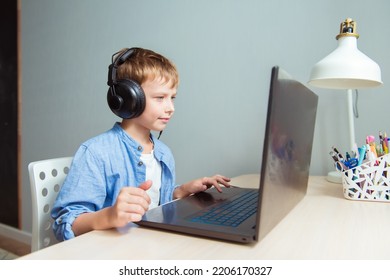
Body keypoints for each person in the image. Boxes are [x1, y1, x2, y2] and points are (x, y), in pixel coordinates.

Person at [51, 47, 231, 241]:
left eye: (173, 98)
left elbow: (154, 202)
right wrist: (110, 216)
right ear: (129, 98)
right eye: (160, 98)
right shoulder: (97, 152)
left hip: (150, 245)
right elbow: (65, 223)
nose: (171, 108)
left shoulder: (163, 153)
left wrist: (181, 191)